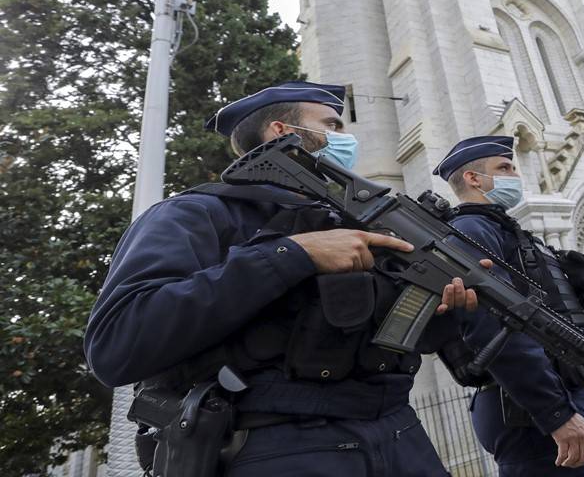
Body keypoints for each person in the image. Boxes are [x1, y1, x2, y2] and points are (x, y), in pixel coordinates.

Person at [85, 81, 486, 476]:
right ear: (283, 131)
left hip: (399, 435)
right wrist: (294, 254)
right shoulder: (196, 214)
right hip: (275, 444)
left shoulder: (353, 226)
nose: (346, 139)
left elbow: (379, 338)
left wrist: (445, 305)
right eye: (332, 125)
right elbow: (117, 342)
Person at [437, 135, 584, 476]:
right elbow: (493, 328)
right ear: (473, 178)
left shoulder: (503, 229)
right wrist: (556, 413)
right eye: (504, 168)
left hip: (562, 392)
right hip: (526, 408)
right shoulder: (470, 229)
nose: (516, 176)